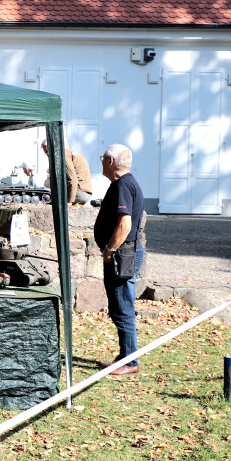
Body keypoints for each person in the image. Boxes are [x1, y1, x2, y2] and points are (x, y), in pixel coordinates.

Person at [94, 144, 145, 377]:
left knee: (123, 307)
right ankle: (125, 355)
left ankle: (131, 361)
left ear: (111, 161)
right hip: (124, 253)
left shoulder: (123, 185)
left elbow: (125, 224)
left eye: (103, 158)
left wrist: (109, 249)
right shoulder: (126, 183)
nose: (102, 162)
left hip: (121, 254)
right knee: (119, 306)